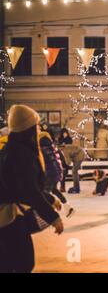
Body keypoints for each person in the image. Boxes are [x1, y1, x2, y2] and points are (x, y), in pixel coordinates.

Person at [0, 105, 64, 273]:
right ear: (27, 128)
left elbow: (22, 187)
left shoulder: (10, 149)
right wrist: (53, 218)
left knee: (10, 263)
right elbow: (28, 191)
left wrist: (50, 198)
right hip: (8, 217)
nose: (38, 129)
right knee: (23, 263)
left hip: (8, 216)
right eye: (35, 125)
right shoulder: (21, 154)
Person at [39, 132, 75, 218]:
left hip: (49, 174)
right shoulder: (53, 147)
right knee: (54, 190)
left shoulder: (40, 147)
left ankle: (49, 214)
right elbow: (61, 158)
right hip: (57, 172)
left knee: (44, 193)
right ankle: (68, 207)